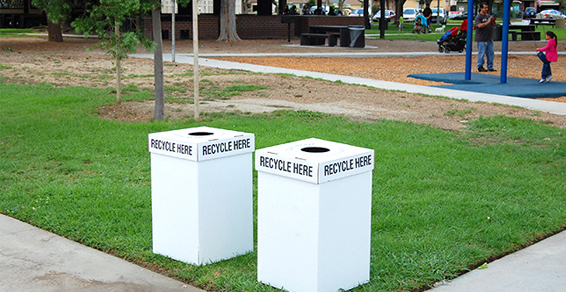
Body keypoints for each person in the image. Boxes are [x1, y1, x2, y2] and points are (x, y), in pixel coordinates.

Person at [474, 2, 497, 72]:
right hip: (481, 38)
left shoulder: (488, 16)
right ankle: (480, 66)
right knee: (482, 52)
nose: (486, 9)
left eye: (487, 8)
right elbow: (479, 25)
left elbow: (493, 25)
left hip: (489, 38)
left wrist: (493, 21)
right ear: (481, 8)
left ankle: (490, 66)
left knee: (491, 53)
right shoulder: (478, 17)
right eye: (485, 8)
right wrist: (488, 21)